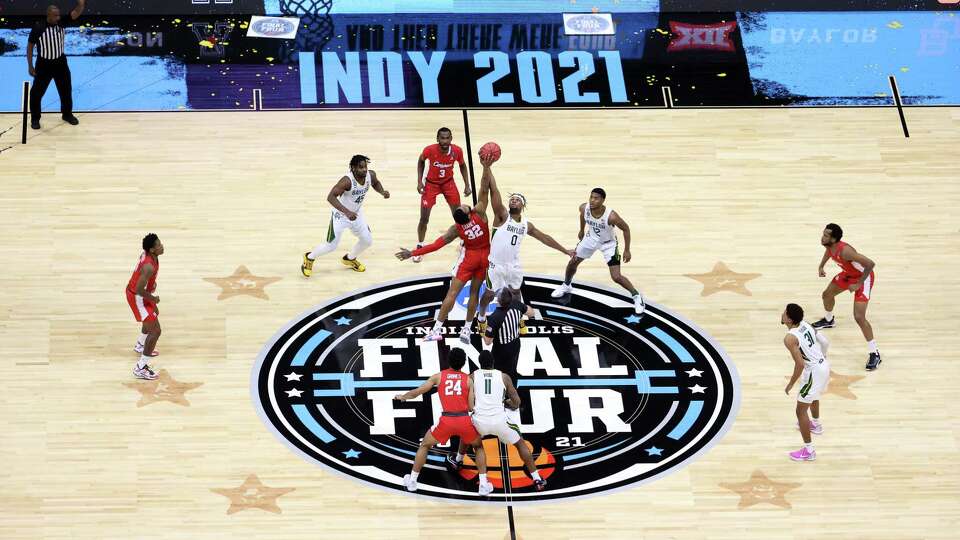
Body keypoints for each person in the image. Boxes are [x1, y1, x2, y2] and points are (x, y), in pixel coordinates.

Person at [396, 156, 495, 344]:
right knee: (474, 293)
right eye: (462, 206)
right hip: (485, 257)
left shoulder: (456, 229)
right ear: (469, 212)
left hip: (470, 259)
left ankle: (436, 330)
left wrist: (414, 252)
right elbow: (484, 187)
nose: (462, 204)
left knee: (451, 294)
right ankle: (466, 330)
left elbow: (436, 245)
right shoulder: (481, 213)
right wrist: (486, 167)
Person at [475, 159, 573, 335]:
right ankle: (481, 318)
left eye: (517, 200)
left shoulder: (526, 225)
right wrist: (487, 168)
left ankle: (519, 318)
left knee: (516, 293)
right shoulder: (502, 216)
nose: (513, 201)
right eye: (512, 199)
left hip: (514, 265)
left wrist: (564, 250)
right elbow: (493, 191)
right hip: (495, 264)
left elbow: (545, 238)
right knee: (489, 295)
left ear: (523, 206)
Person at [394, 348, 493, 496]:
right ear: (464, 363)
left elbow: (418, 392)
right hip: (464, 420)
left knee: (425, 445)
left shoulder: (439, 377)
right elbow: (472, 406)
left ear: (448, 360)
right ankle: (484, 485)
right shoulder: (468, 379)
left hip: (446, 420)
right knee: (478, 447)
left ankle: (413, 481)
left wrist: (402, 396)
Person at [447, 350, 546, 491]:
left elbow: (464, 400)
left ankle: (458, 461)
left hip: (480, 420)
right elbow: (516, 402)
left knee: (467, 431)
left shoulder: (472, 376)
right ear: (493, 362)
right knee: (520, 444)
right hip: (500, 421)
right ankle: (537, 478)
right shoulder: (504, 377)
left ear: (479, 364)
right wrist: (505, 402)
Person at [550, 188, 645, 315]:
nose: (592, 200)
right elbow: (582, 216)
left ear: (603, 200)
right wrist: (581, 230)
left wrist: (627, 250)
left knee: (616, 277)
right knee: (572, 262)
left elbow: (626, 229)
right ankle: (566, 285)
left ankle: (636, 296)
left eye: (596, 198)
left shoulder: (611, 216)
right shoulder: (584, 208)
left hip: (608, 244)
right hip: (590, 239)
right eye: (591, 197)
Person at [302, 155, 389, 276]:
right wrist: (347, 212)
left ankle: (349, 258)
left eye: (365, 167)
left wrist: (382, 192)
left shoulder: (370, 175)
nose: (364, 169)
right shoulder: (347, 181)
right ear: (353, 168)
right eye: (361, 167)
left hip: (356, 214)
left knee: (367, 241)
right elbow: (330, 197)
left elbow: (375, 183)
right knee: (331, 246)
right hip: (340, 215)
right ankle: (309, 257)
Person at [811, 223, 881, 370]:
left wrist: (858, 284)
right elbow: (828, 252)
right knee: (826, 295)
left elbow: (870, 264)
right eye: (823, 234)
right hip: (848, 275)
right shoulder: (829, 246)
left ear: (834, 239)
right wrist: (821, 265)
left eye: (825, 235)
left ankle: (874, 353)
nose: (822, 237)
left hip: (863, 278)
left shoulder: (846, 252)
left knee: (859, 317)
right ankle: (829, 320)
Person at [414, 127, 471, 263]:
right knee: (424, 219)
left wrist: (467, 184)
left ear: (451, 139)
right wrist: (419, 181)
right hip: (431, 184)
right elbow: (421, 161)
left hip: (448, 183)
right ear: (437, 139)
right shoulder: (429, 150)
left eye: (447, 138)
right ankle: (420, 245)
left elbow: (462, 165)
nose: (445, 141)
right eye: (442, 138)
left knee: (459, 215)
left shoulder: (457, 150)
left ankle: (464, 242)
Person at [782, 303, 830, 462]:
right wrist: (822, 358)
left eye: (784, 312)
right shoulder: (805, 324)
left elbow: (800, 364)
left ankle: (809, 451)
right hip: (823, 365)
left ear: (788, 318)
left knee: (800, 411)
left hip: (813, 370)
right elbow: (825, 342)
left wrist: (791, 383)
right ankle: (815, 424)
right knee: (814, 395)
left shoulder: (789, 338)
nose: (782, 314)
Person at [27, 1, 85, 129]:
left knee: (66, 91)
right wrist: (30, 66)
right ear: (49, 16)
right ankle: (35, 119)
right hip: (44, 64)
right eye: (56, 16)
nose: (58, 17)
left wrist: (81, 5)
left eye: (59, 15)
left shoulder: (61, 23)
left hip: (60, 63)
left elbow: (75, 13)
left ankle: (67, 114)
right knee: (36, 93)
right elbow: (30, 46)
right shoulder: (38, 28)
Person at [126, 234, 163, 380]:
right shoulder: (148, 266)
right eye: (159, 245)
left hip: (141, 293)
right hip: (137, 296)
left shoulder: (150, 255)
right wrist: (153, 299)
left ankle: (140, 345)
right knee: (156, 331)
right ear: (152, 250)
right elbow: (139, 289)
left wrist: (151, 285)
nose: (162, 246)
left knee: (151, 320)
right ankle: (140, 367)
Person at [483, 288, 532, 398]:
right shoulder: (517, 305)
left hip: (501, 349)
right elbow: (531, 313)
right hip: (515, 344)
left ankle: (501, 396)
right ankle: (512, 394)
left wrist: (482, 330)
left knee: (497, 372)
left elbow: (487, 341)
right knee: (513, 370)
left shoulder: (495, 317)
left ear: (498, 301)